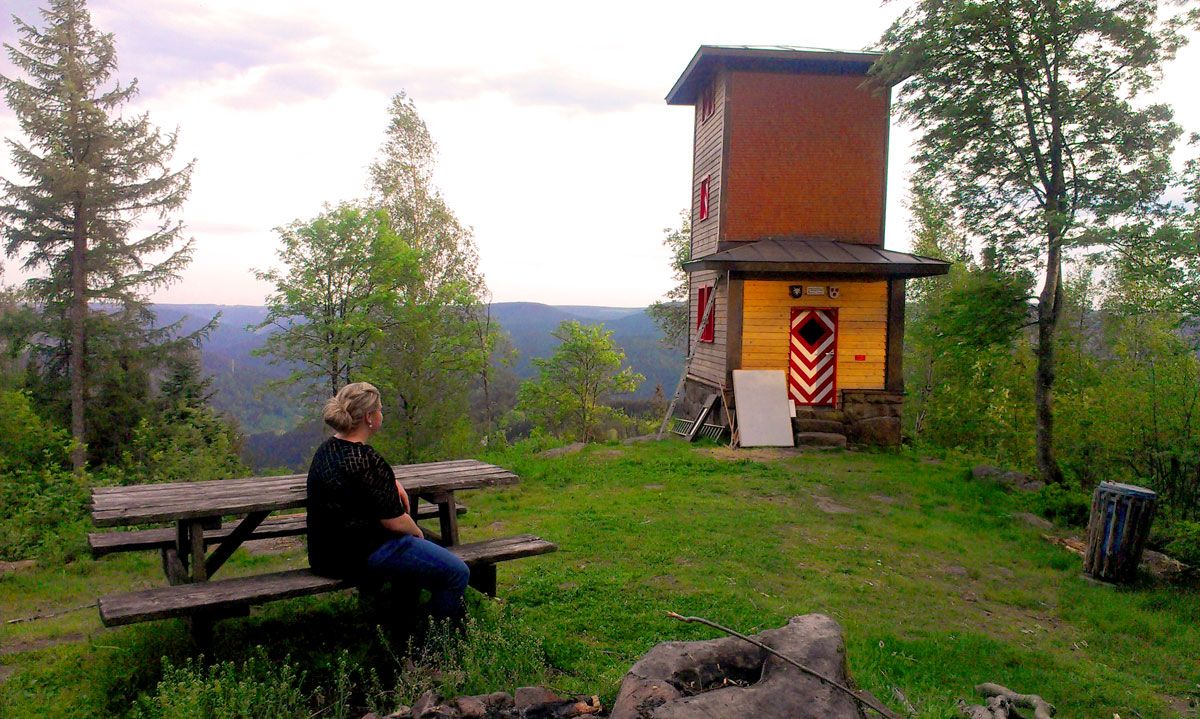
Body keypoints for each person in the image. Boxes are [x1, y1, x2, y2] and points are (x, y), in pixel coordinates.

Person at [307, 382, 469, 623]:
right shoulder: (366, 460)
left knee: (420, 559)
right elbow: (395, 522)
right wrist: (417, 533)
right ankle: (435, 648)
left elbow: (360, 481)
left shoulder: (328, 450)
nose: (382, 414)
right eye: (380, 409)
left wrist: (391, 481)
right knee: (456, 572)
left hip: (325, 554)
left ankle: (403, 627)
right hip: (359, 556)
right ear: (370, 418)